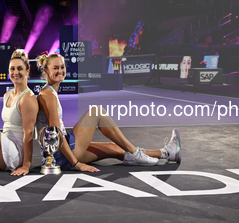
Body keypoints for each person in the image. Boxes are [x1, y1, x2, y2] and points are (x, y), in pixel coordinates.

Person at [35, 53, 181, 172]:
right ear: (46, 70)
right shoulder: (48, 94)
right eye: (55, 68)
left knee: (117, 149)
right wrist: (76, 164)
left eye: (62, 67)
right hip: (61, 155)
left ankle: (167, 152)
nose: (60, 71)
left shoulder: (49, 92)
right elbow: (55, 133)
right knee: (96, 112)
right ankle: (135, 153)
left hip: (62, 150)